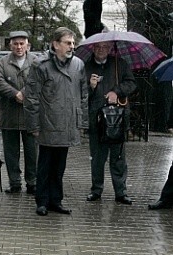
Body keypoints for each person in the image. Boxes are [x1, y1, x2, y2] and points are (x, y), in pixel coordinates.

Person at [24, 27, 88, 216]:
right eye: (67, 43)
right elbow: (32, 97)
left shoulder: (78, 65)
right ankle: (42, 201)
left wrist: (81, 122)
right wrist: (33, 125)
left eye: (73, 43)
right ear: (55, 44)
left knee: (60, 166)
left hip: (68, 123)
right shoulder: (41, 65)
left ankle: (56, 200)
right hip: (48, 123)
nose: (72, 47)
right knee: (45, 164)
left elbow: (83, 95)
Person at [85, 41, 137, 205]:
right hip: (97, 120)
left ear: (110, 48)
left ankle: (121, 192)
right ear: (93, 48)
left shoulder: (120, 64)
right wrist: (90, 87)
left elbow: (131, 83)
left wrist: (117, 91)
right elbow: (79, 93)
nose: (101, 50)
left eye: (105, 47)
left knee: (118, 158)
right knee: (98, 158)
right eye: (98, 47)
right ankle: (96, 190)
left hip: (118, 120)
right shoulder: (86, 66)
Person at [0, 30, 37, 195]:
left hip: (30, 115)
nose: (19, 47)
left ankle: (32, 182)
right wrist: (14, 93)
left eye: (22, 43)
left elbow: (38, 80)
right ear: (10, 45)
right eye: (15, 44)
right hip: (9, 114)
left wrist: (24, 93)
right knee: (11, 153)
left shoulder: (36, 61)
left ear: (28, 45)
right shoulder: (3, 62)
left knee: (32, 152)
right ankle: (14, 183)